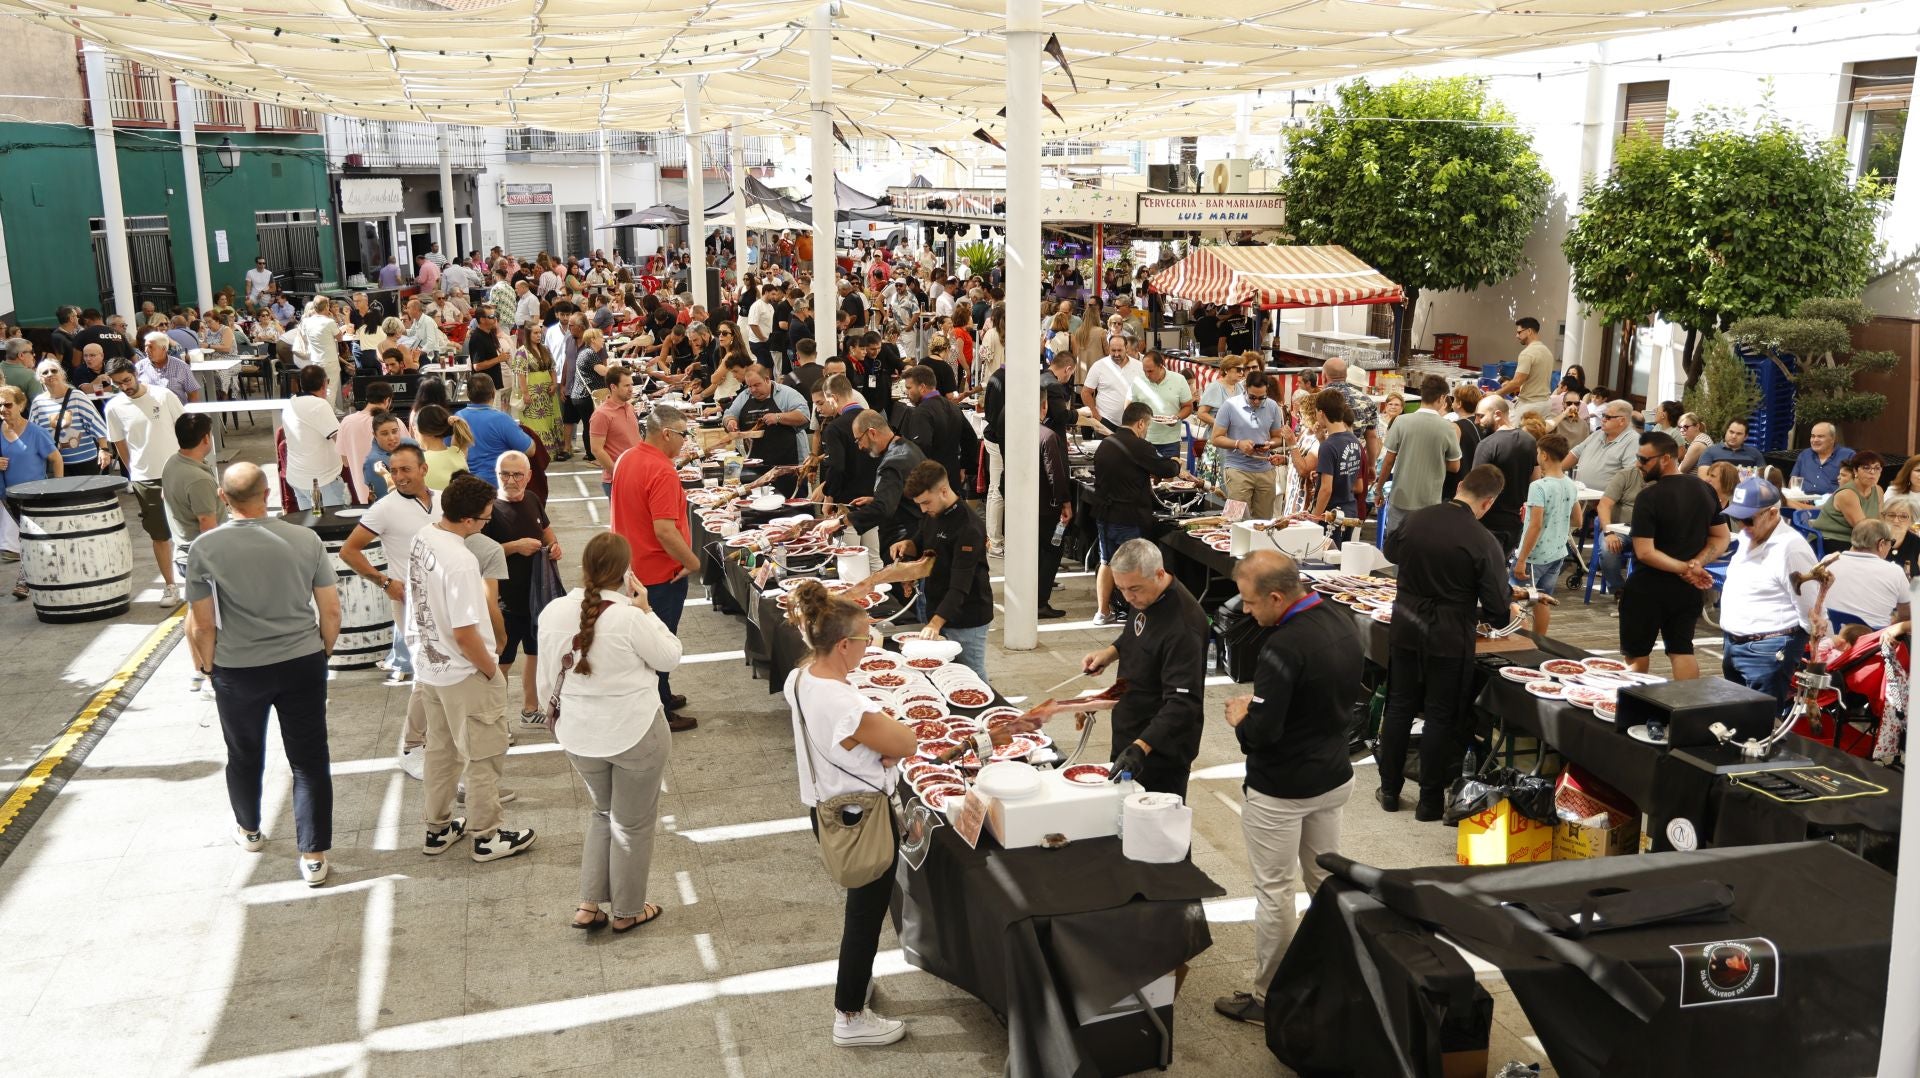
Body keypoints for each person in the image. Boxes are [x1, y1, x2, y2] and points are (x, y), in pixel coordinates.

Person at [1213, 550, 1361, 1026]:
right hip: (1333, 774)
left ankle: (1268, 995)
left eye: (1252, 604)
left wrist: (1242, 716)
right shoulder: (1340, 620)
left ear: (1277, 596)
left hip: (1283, 788)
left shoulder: (1282, 646)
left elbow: (1263, 732)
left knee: (1275, 890)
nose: (1248, 611)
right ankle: (1340, 969)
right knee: (1323, 879)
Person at [183, 462, 338, 886]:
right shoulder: (305, 539)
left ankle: (250, 830)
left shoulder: (205, 548)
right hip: (302, 661)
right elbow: (330, 608)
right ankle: (313, 855)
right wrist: (322, 650)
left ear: (223, 497)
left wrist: (210, 665)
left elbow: (202, 623)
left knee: (244, 752)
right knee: (309, 760)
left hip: (238, 668)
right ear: (268, 491)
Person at [780, 579, 917, 1047]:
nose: (868, 645)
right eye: (864, 639)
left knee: (861, 907)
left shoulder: (800, 676)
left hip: (825, 807)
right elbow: (906, 743)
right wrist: (884, 745)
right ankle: (850, 1014)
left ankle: (856, 985)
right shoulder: (846, 703)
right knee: (865, 913)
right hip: (862, 816)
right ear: (843, 645)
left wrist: (872, 745)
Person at [532, 531, 678, 932]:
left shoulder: (552, 613)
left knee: (602, 812)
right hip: (635, 733)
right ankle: (628, 911)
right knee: (632, 823)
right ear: (627, 572)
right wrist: (647, 610)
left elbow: (547, 677)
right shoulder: (630, 618)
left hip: (579, 735)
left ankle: (589, 904)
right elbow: (670, 657)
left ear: (584, 567)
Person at [408, 474, 537, 863]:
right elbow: (466, 632)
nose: (486, 525)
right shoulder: (462, 561)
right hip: (465, 672)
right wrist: (491, 670)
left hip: (431, 667)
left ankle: (438, 827)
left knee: (442, 752)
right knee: (483, 754)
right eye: (484, 520)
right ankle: (487, 834)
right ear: (467, 520)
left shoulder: (423, 537)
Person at [1377, 465, 1514, 819]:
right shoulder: (1482, 539)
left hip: (1406, 623)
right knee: (1440, 716)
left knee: (1399, 706)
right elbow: (1499, 610)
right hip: (1449, 633)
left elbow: (1390, 552)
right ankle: (1429, 801)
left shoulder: (1416, 519)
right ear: (1488, 503)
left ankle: (1389, 790)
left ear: (1460, 486)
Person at [1031, 540, 1208, 798]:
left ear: (1159, 573)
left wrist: (1141, 747)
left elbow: (1183, 703)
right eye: (1121, 588)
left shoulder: (1183, 626)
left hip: (1160, 749)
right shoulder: (1144, 598)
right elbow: (1137, 636)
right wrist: (1110, 653)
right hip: (1130, 731)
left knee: (1157, 826)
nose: (1127, 597)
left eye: (1134, 589)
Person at [608, 405, 702, 732]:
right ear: (666, 434)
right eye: (683, 434)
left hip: (635, 565)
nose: (685, 441)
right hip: (661, 572)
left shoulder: (628, 458)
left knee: (648, 637)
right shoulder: (661, 470)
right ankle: (659, 707)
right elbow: (665, 530)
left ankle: (663, 692)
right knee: (659, 642)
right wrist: (692, 561)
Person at [1620, 432, 1730, 680]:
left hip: (1648, 587)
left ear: (1666, 458)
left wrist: (1688, 567)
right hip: (1686, 589)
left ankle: (1631, 710)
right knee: (1682, 651)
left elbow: (1645, 552)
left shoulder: (1648, 497)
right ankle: (1687, 714)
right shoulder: (1705, 490)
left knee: (1636, 656)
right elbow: (1721, 537)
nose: (1638, 463)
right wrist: (1696, 565)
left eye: (1644, 459)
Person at [342, 442, 437, 715]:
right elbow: (349, 551)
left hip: (447, 597)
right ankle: (424, 733)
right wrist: (384, 582)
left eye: (405, 469)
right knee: (426, 670)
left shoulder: (444, 499)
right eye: (394, 471)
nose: (398, 477)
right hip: (411, 602)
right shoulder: (383, 508)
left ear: (424, 469)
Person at [1717, 477, 1824, 710]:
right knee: (1735, 720)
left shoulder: (1791, 548)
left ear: (1773, 513)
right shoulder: (1749, 536)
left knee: (1761, 727)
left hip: (1768, 650)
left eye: (1747, 519)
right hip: (1735, 644)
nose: (1742, 525)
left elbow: (1812, 610)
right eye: (1736, 518)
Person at [891, 461, 994, 676]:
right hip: (935, 605)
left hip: (967, 617)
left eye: (926, 502)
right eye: (919, 504)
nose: (923, 509)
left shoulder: (969, 527)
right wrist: (906, 545)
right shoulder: (933, 513)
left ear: (944, 491)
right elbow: (922, 542)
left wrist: (934, 624)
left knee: (971, 675)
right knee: (942, 674)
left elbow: (960, 586)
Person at [486, 451, 561, 723]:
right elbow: (481, 555)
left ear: (529, 476)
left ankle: (530, 709)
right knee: (501, 664)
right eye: (504, 474)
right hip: (506, 602)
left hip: (536, 598)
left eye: (517, 474)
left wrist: (554, 547)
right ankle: (496, 719)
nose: (511, 480)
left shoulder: (532, 499)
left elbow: (547, 531)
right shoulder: (490, 510)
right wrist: (515, 547)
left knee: (535, 654)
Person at [1091, 402, 1183, 625]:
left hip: (1104, 514)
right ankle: (1136, 613)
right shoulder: (1139, 446)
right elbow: (1165, 469)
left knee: (1107, 562)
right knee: (1134, 565)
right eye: (1147, 426)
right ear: (1141, 423)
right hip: (1128, 516)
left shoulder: (1106, 444)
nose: (1146, 430)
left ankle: (1102, 612)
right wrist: (1176, 464)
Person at [104, 358, 186, 603]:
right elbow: (119, 444)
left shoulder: (164, 395)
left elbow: (184, 429)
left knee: (192, 528)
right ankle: (170, 586)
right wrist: (134, 473)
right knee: (159, 535)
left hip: (177, 471)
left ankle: (202, 580)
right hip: (145, 478)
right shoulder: (113, 407)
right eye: (118, 384)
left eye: (127, 380)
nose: (124, 387)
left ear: (135, 374)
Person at [162, 413, 224, 684]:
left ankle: (198, 669)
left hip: (184, 551)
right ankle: (210, 673)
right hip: (202, 556)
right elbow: (208, 526)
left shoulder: (173, 463)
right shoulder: (197, 479)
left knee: (193, 613)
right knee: (206, 620)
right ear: (205, 438)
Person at [1374, 375, 1461, 538]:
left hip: (1400, 496)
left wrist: (1379, 490)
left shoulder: (1401, 422)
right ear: (1442, 398)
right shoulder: (1448, 428)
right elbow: (1455, 466)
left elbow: (1388, 461)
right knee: (1421, 547)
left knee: (1396, 546)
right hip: (1429, 501)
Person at [1513, 434, 1579, 635]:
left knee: (1515, 601)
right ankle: (1539, 642)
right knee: (1543, 599)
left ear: (1544, 455)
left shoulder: (1538, 486)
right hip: (1557, 553)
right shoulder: (1570, 484)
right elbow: (1578, 520)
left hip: (1534, 556)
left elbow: (1535, 525)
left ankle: (1519, 643)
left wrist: (1521, 559)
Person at [1208, 369, 1290, 520]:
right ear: (1245, 389)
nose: (1257, 402)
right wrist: (1238, 444)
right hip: (1238, 470)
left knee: (1264, 522)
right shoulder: (1229, 406)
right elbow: (1216, 438)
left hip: (1265, 470)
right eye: (1252, 398)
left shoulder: (1272, 407)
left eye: (1261, 398)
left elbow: (1278, 438)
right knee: (1236, 519)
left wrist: (1269, 444)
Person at [847, 410, 927, 561]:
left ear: (871, 433)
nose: (860, 447)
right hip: (919, 532)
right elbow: (909, 492)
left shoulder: (892, 463)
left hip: (902, 540)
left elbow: (883, 509)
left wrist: (842, 521)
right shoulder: (910, 447)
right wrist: (878, 497)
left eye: (859, 440)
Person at [724, 364, 811, 494]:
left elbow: (804, 416)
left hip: (788, 466)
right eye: (749, 386)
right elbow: (729, 414)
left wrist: (778, 417)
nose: (752, 390)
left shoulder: (787, 394)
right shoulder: (745, 395)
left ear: (767, 379)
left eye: (756, 385)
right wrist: (730, 422)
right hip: (754, 465)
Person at [1471, 394, 1536, 559]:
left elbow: (1474, 488)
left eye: (1481, 416)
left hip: (1488, 522)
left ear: (1497, 414)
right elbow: (1535, 479)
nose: (1477, 421)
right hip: (1516, 522)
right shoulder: (1529, 440)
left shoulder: (1487, 445)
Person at [1824, 519, 1911, 629]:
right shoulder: (1895, 571)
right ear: (1881, 544)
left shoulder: (1828, 561)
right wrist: (1892, 625)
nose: (1890, 547)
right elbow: (1907, 615)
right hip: (1872, 640)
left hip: (1830, 634)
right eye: (1891, 543)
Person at [28, 360, 110, 477]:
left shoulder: (77, 396)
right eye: (45, 372)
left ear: (61, 374)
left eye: (54, 370)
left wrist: (104, 449)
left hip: (84, 461)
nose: (50, 374)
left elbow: (96, 423)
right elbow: (34, 432)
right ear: (40, 379)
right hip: (56, 464)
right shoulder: (38, 403)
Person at [282, 366, 344, 511]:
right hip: (323, 480)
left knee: (312, 525)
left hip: (297, 477)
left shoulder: (291, 403)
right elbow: (341, 441)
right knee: (336, 525)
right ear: (324, 384)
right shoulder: (319, 405)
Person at [458, 375, 534, 491]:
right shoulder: (502, 419)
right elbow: (530, 450)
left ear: (468, 394)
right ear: (493, 393)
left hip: (466, 486)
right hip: (497, 487)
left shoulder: (456, 419)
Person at [1036, 383, 1073, 620]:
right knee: (1051, 552)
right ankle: (1040, 601)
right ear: (1044, 406)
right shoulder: (1048, 436)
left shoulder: (1016, 430)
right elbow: (1055, 474)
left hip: (1027, 506)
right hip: (1047, 507)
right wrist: (1066, 502)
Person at [1308, 389, 1361, 525]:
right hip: (1350, 509)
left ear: (1321, 413)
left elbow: (1326, 489)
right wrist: (1321, 440)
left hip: (1332, 514)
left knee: (1330, 547)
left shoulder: (1329, 446)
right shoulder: (1354, 440)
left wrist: (1315, 518)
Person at [1812, 451, 1884, 549]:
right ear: (1855, 471)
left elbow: (1880, 519)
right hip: (1831, 539)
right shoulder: (1847, 493)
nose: (1872, 472)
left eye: (1877, 468)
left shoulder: (1878, 490)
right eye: (1866, 468)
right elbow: (1862, 527)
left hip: (1859, 539)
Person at [588, 366, 642, 496]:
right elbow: (596, 449)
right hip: (617, 480)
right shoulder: (601, 414)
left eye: (631, 385)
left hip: (636, 475)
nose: (631, 389)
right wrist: (617, 472)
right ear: (613, 387)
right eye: (626, 385)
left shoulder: (629, 407)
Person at [1129, 350, 1193, 459]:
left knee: (1169, 473)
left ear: (1161, 366)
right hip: (1146, 439)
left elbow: (1188, 406)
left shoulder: (1179, 380)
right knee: (1152, 475)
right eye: (1144, 371)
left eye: (1150, 371)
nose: (1147, 375)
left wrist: (1177, 418)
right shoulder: (1138, 381)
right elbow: (1133, 408)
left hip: (1171, 440)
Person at [1318, 357, 1381, 467]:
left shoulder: (1318, 400)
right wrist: (1371, 466)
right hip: (1356, 461)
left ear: (1323, 377)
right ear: (1346, 376)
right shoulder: (1366, 400)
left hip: (1328, 461)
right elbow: (1371, 437)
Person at [1565, 399, 1637, 493]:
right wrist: (1553, 471)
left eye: (1608, 417)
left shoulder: (1633, 441)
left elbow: (1629, 477)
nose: (1603, 419)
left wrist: (1608, 500)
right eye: (1603, 415)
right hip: (1581, 495)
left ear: (1622, 420)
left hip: (1604, 500)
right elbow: (1575, 454)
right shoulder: (1598, 434)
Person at [1498, 316, 1556, 418]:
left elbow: (1517, 382)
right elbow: (1532, 379)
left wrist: (1496, 393)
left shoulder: (1527, 353)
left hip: (1529, 406)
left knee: (1511, 432)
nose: (1516, 335)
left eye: (1519, 332)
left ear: (1529, 331)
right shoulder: (1547, 352)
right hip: (1545, 404)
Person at [1081, 333, 1139, 434]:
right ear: (1108, 349)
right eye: (1113, 350)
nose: (1116, 354)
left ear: (1126, 348)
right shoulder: (1099, 366)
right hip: (1105, 422)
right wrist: (1096, 415)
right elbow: (1086, 392)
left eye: (1120, 350)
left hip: (1132, 424)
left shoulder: (1139, 366)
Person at [412, 405, 473, 490]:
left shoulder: (416, 461)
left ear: (417, 430)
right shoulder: (458, 453)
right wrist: (456, 421)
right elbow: (462, 434)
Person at [136, 332, 201, 407]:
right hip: (150, 414)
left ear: (163, 348)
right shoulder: (139, 367)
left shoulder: (181, 367)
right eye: (146, 346)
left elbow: (193, 394)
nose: (146, 350)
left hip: (177, 414)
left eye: (150, 347)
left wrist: (190, 416)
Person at [1442, 384, 1483, 502]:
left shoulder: (1456, 426)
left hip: (1457, 485)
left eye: (1454, 400)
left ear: (1459, 404)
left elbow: (1451, 460)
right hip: (1475, 480)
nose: (1453, 403)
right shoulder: (1481, 423)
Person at [1789, 422, 1854, 495]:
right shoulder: (1804, 455)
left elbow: (1854, 484)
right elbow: (1793, 481)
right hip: (1802, 500)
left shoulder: (1848, 455)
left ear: (1833, 439)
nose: (1815, 440)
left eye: (1820, 436)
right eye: (1813, 436)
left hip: (1831, 503)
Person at [1194, 353, 1249, 429]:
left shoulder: (1240, 387)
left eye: (1243, 369)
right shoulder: (1215, 387)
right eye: (1238, 369)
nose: (1242, 373)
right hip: (1218, 435)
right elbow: (1201, 413)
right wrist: (1221, 425)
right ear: (1226, 370)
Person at [1698, 418, 1767, 470]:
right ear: (1726, 431)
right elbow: (1704, 477)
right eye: (1731, 432)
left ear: (1745, 437)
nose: (1734, 436)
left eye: (1739, 434)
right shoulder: (1710, 451)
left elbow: (1762, 478)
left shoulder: (1755, 454)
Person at [1882, 495, 1920, 578]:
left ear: (1912, 520)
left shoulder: (1917, 543)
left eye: (1903, 516)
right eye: (1891, 515)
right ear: (1883, 517)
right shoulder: (1872, 538)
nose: (1896, 520)